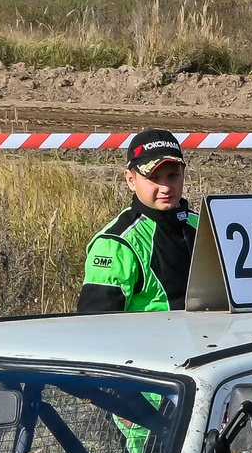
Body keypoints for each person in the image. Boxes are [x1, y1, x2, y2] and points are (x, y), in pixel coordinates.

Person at [78, 129, 198, 314]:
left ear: (183, 173)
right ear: (131, 180)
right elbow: (95, 326)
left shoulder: (206, 226)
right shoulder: (116, 243)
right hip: (148, 342)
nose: (165, 187)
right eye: (153, 178)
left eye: (172, 175)